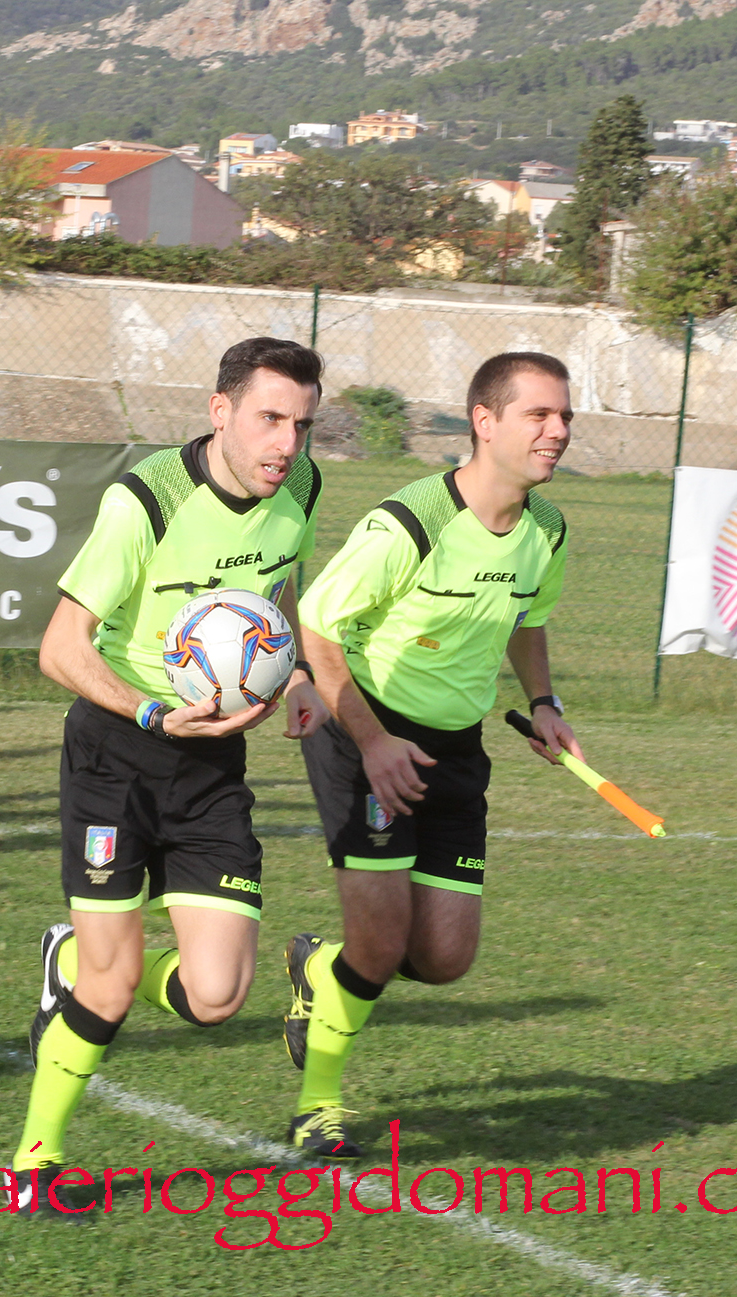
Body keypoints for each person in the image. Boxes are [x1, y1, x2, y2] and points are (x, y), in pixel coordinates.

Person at [9, 336, 329, 1212]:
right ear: (220, 411)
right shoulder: (145, 501)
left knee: (217, 995)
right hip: (116, 755)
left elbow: (280, 587)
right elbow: (59, 648)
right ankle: (35, 1163)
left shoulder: (300, 488)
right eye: (269, 419)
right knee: (110, 988)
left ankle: (74, 956)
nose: (286, 444)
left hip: (213, 763)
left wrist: (295, 671)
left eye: (302, 425)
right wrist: (152, 711)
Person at [282, 351, 582, 1160]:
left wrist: (544, 703)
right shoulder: (409, 523)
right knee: (381, 945)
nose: (557, 430)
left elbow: (527, 617)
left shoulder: (547, 529)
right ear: (485, 422)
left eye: (564, 416)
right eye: (539, 415)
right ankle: (317, 1108)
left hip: (455, 747)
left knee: (444, 958)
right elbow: (318, 626)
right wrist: (373, 742)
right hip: (366, 732)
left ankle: (320, 971)